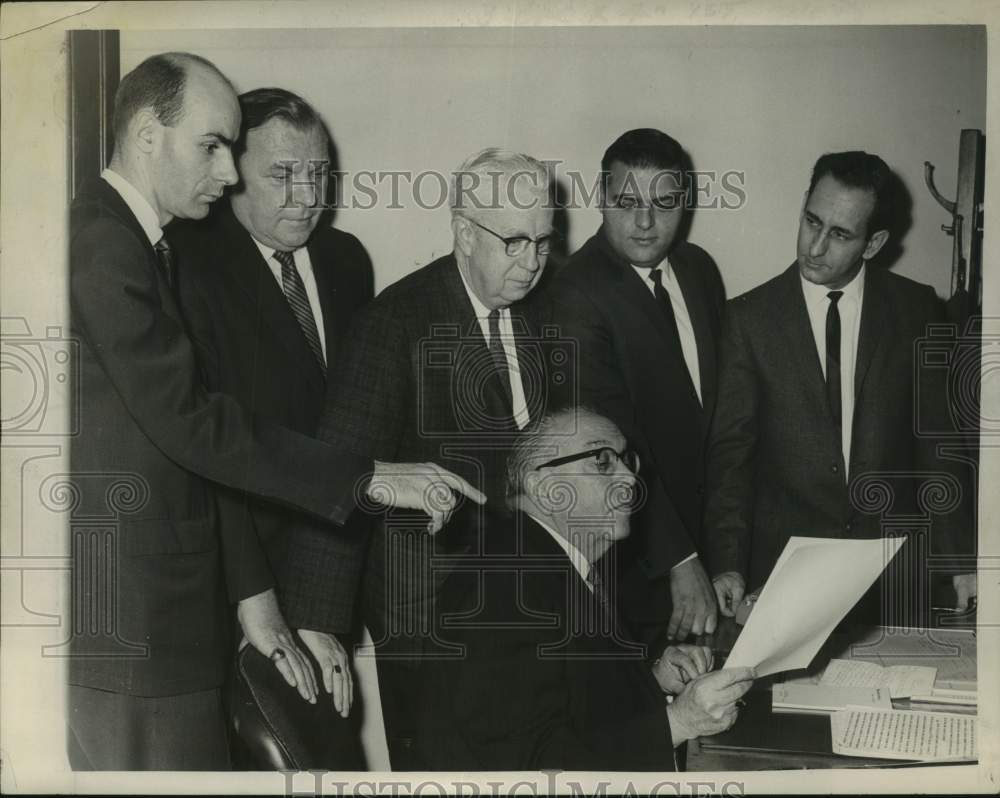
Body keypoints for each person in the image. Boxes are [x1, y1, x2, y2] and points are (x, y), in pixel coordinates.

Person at [68, 52, 482, 771]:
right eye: (212, 147)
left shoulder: (144, 241)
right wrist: (367, 479)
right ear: (145, 136)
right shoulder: (112, 243)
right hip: (148, 616)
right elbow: (197, 425)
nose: (226, 173)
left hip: (226, 603)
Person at [315, 148, 562, 767]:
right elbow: (338, 477)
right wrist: (318, 622)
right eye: (514, 242)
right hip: (428, 624)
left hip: (519, 608)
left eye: (543, 242)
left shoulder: (536, 315)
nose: (532, 263)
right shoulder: (393, 325)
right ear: (463, 234)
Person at [171, 87, 372, 768]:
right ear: (231, 174)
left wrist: (326, 600)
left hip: (333, 576)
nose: (307, 194)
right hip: (243, 588)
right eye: (282, 175)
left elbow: (353, 435)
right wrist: (272, 611)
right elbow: (213, 456)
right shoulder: (189, 269)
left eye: (319, 173)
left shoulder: (347, 262)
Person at [703, 150, 976, 625]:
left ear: (873, 244)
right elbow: (732, 457)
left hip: (893, 578)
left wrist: (959, 563)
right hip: (784, 576)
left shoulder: (917, 311)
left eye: (840, 234)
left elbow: (939, 446)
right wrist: (727, 564)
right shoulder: (747, 319)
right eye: (812, 221)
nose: (815, 246)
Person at [418, 407, 755, 771]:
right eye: (603, 460)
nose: (629, 477)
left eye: (627, 460)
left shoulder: (543, 560)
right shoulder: (502, 590)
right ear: (545, 489)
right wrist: (680, 721)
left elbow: (572, 698)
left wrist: (652, 680)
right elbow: (533, 765)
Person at [550, 129, 722, 647]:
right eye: (627, 203)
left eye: (664, 203)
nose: (645, 222)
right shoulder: (574, 292)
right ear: (602, 200)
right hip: (638, 570)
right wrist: (681, 559)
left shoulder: (698, 270)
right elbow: (611, 447)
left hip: (715, 555)